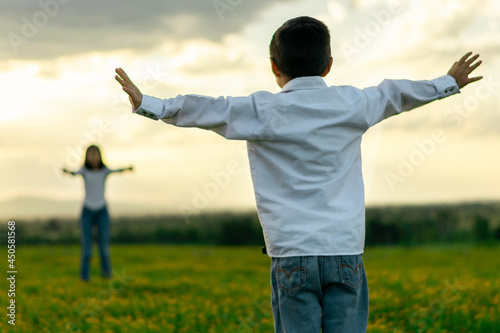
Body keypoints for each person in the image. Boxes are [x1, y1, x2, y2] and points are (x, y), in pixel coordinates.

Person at [114, 16, 482, 333]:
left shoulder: (261, 110)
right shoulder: (353, 103)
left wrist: (149, 103)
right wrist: (447, 83)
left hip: (291, 256)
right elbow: (394, 94)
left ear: (275, 67)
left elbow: (208, 109)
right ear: (329, 65)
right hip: (345, 252)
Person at [63, 145, 133, 282]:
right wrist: (67, 172)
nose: (93, 156)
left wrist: (127, 169)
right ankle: (84, 278)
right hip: (87, 211)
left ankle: (106, 275)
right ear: (86, 157)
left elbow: (117, 170)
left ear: (100, 156)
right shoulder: (84, 171)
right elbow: (74, 173)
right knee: (87, 249)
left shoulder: (104, 171)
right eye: (91, 154)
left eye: (96, 154)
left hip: (102, 211)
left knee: (103, 249)